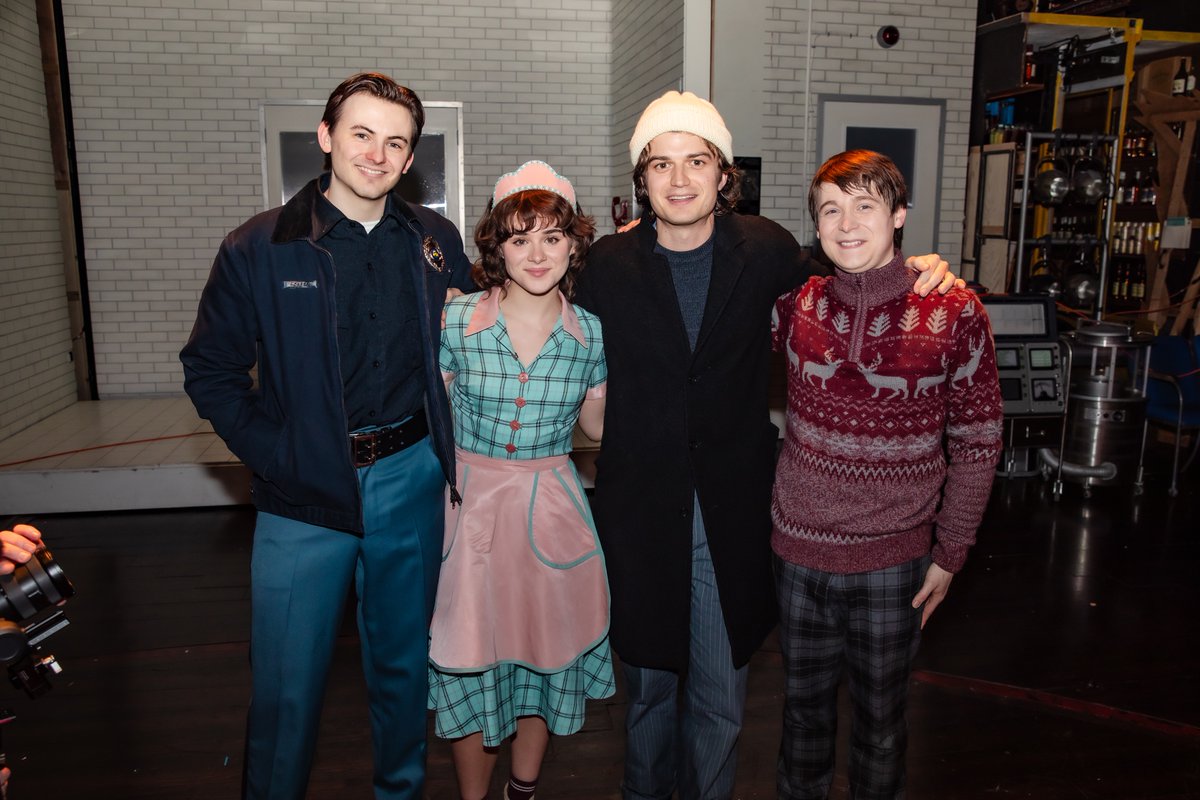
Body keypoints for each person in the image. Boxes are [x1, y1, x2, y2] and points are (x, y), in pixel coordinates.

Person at [574, 91, 958, 800]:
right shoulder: (607, 266)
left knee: (722, 699)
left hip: (736, 514)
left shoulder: (770, 249)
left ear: (724, 174)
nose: (680, 179)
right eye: (662, 164)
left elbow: (857, 272)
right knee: (650, 698)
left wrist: (923, 269)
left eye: (697, 161)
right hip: (640, 514)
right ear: (642, 178)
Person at [179, 72, 474, 800]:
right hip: (300, 496)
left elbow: (469, 341)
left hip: (409, 478)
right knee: (286, 682)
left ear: (411, 161)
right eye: (361, 133)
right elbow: (210, 372)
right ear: (326, 137)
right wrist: (281, 455)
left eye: (395, 142)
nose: (377, 153)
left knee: (405, 671)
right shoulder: (259, 246)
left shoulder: (435, 242)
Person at [770, 149, 1002, 798]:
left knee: (882, 731)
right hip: (800, 557)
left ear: (899, 215)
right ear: (816, 226)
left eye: (866, 206)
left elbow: (979, 441)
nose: (847, 224)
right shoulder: (794, 307)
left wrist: (950, 553)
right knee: (802, 724)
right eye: (831, 210)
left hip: (894, 565)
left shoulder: (954, 310)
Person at [428, 161, 613, 800]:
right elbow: (430, 417)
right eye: (518, 238)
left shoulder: (589, 334)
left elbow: (595, 429)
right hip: (471, 513)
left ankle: (522, 789)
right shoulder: (455, 323)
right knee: (470, 657)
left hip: (553, 510)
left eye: (552, 237)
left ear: (573, 245)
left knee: (542, 655)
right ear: (496, 247)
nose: (537, 253)